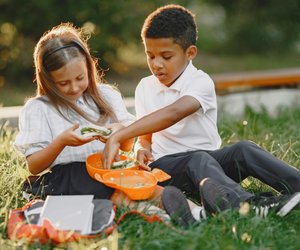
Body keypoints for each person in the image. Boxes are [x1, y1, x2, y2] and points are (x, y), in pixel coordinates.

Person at [101, 4, 300, 223]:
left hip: (212, 169)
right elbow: (145, 138)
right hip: (167, 170)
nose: (156, 64)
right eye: (150, 56)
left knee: (244, 149)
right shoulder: (144, 87)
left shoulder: (200, 82)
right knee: (198, 159)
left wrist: (120, 135)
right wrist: (142, 149)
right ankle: (248, 206)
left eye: (166, 57)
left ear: (190, 53)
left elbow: (175, 112)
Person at [13, 22, 206, 227]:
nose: (74, 87)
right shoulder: (39, 108)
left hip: (110, 169)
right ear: (47, 80)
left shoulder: (106, 96)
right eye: (63, 83)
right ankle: (154, 214)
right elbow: (34, 166)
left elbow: (126, 146)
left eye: (80, 78)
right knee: (104, 187)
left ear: (89, 67)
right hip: (69, 177)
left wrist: (120, 132)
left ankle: (196, 211)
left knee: (141, 184)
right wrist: (62, 142)